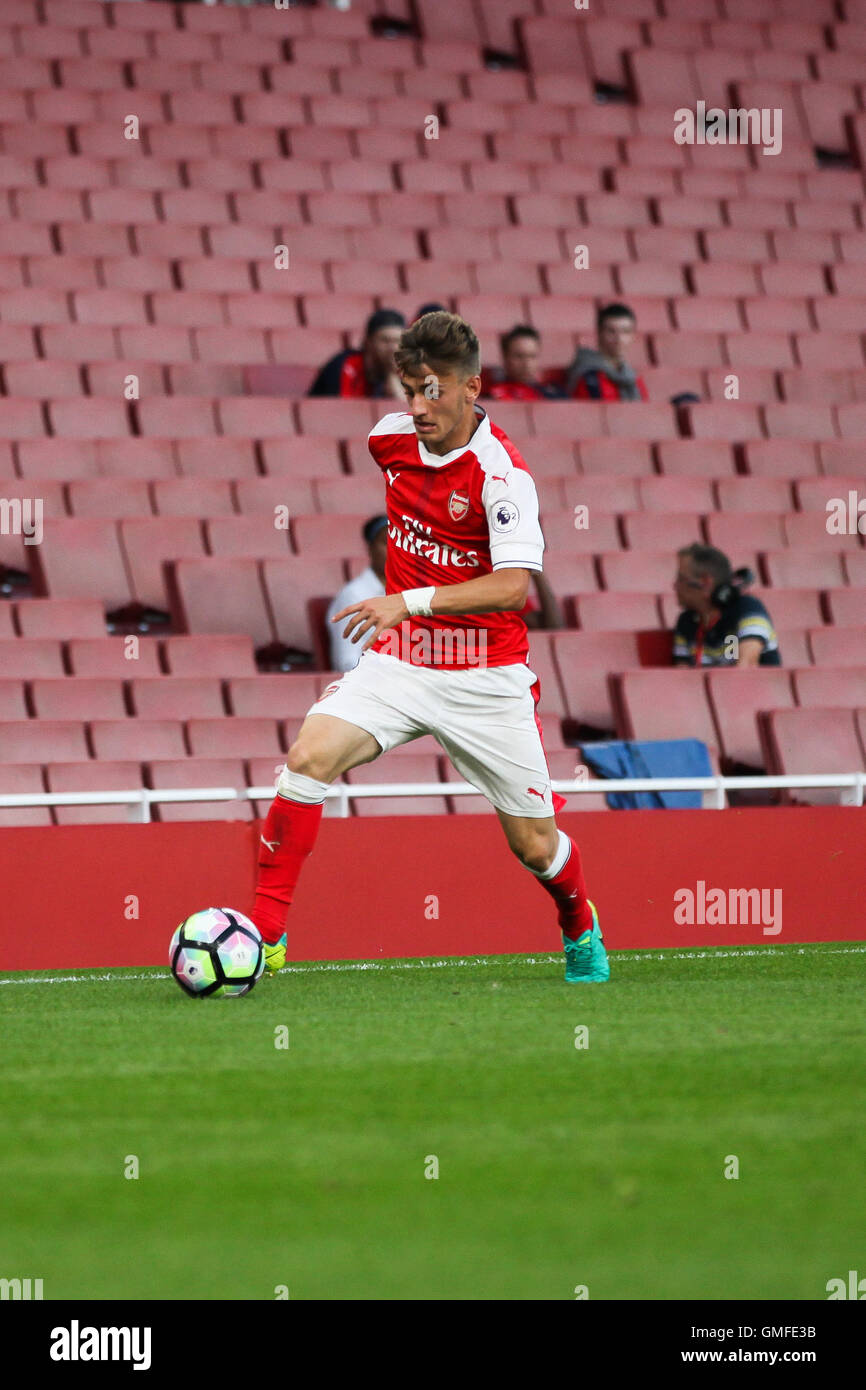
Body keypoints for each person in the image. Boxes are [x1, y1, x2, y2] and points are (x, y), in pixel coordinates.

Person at [251, 310, 609, 984]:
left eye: (433, 390)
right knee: (308, 755)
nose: (417, 407)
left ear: (472, 388)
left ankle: (577, 921)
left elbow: (511, 589)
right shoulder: (387, 441)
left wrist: (408, 600)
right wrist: (406, 615)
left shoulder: (502, 477)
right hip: (403, 660)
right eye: (408, 389)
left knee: (534, 846)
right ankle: (265, 937)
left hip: (486, 675)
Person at [672, 543, 781, 667]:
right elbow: (682, 677)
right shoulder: (686, 622)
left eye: (681, 579)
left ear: (706, 583)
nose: (675, 585)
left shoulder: (747, 609)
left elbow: (747, 667)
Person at [326, 515, 387, 672]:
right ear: (370, 548)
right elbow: (347, 663)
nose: (394, 551)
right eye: (386, 543)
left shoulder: (412, 592)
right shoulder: (354, 595)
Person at [308, 308, 406, 399]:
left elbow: (403, 413)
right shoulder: (346, 364)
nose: (392, 348)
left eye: (397, 341)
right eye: (385, 341)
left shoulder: (404, 370)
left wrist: (391, 375)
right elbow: (339, 411)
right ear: (368, 342)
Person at [566, 303, 649, 401]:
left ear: (633, 336)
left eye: (625, 332)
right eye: (611, 331)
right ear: (599, 333)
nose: (619, 338)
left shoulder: (634, 380)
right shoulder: (588, 378)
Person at [486, 325, 562, 402]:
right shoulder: (491, 395)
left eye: (532, 356)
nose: (526, 363)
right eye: (519, 356)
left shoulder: (554, 396)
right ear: (505, 357)